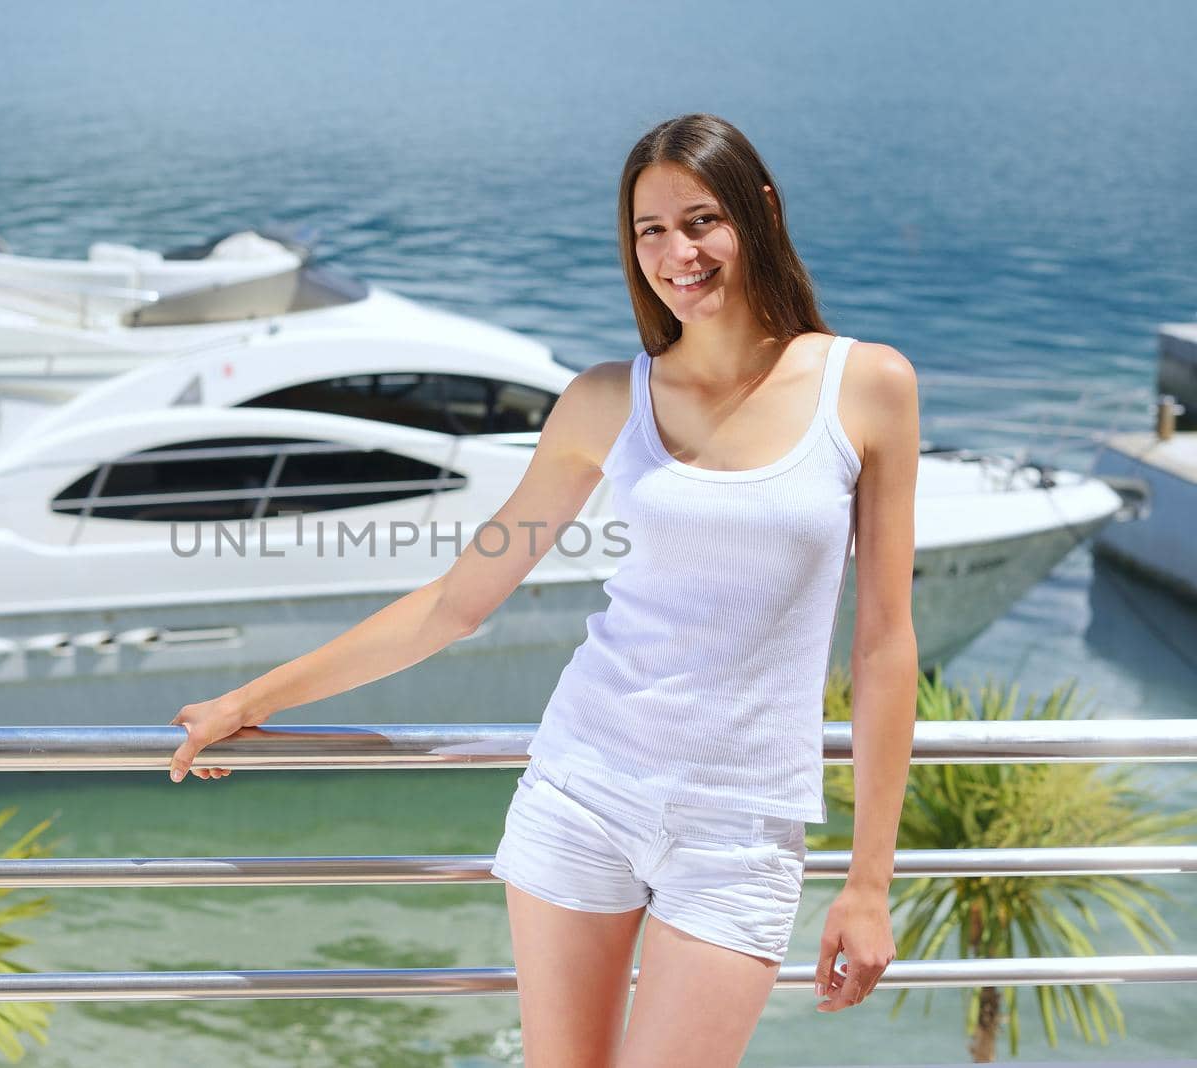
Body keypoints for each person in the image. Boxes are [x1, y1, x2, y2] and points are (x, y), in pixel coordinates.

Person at [167, 112, 919, 1067]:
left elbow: (886, 643)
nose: (676, 252)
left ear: (759, 213)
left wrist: (868, 885)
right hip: (583, 792)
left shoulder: (867, 388)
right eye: (650, 230)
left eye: (700, 221)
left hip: (741, 828)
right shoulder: (606, 401)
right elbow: (457, 602)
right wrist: (249, 699)